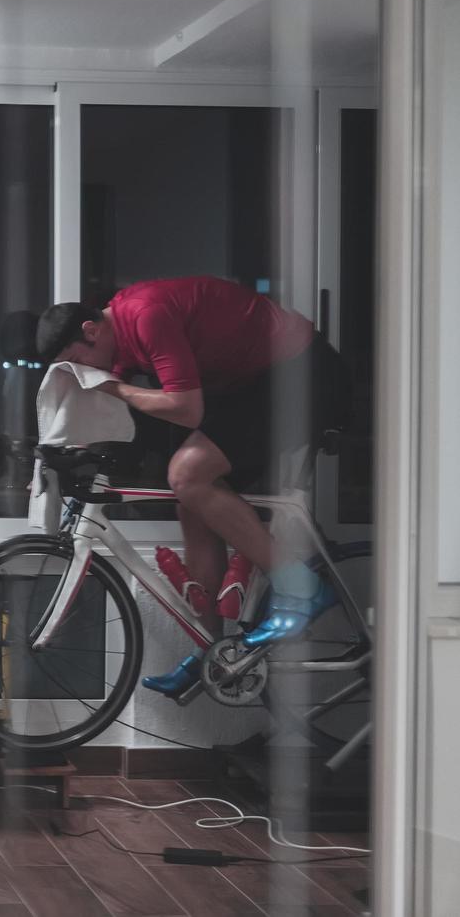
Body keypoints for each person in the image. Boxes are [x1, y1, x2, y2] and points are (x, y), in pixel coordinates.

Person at [35, 276, 350, 697]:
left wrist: (114, 386)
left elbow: (185, 409)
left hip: (304, 372)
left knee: (187, 475)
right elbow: (111, 413)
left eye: (81, 362)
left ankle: (302, 587)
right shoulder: (116, 335)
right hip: (256, 381)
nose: (90, 374)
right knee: (192, 500)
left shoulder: (145, 315)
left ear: (91, 331)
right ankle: (214, 648)